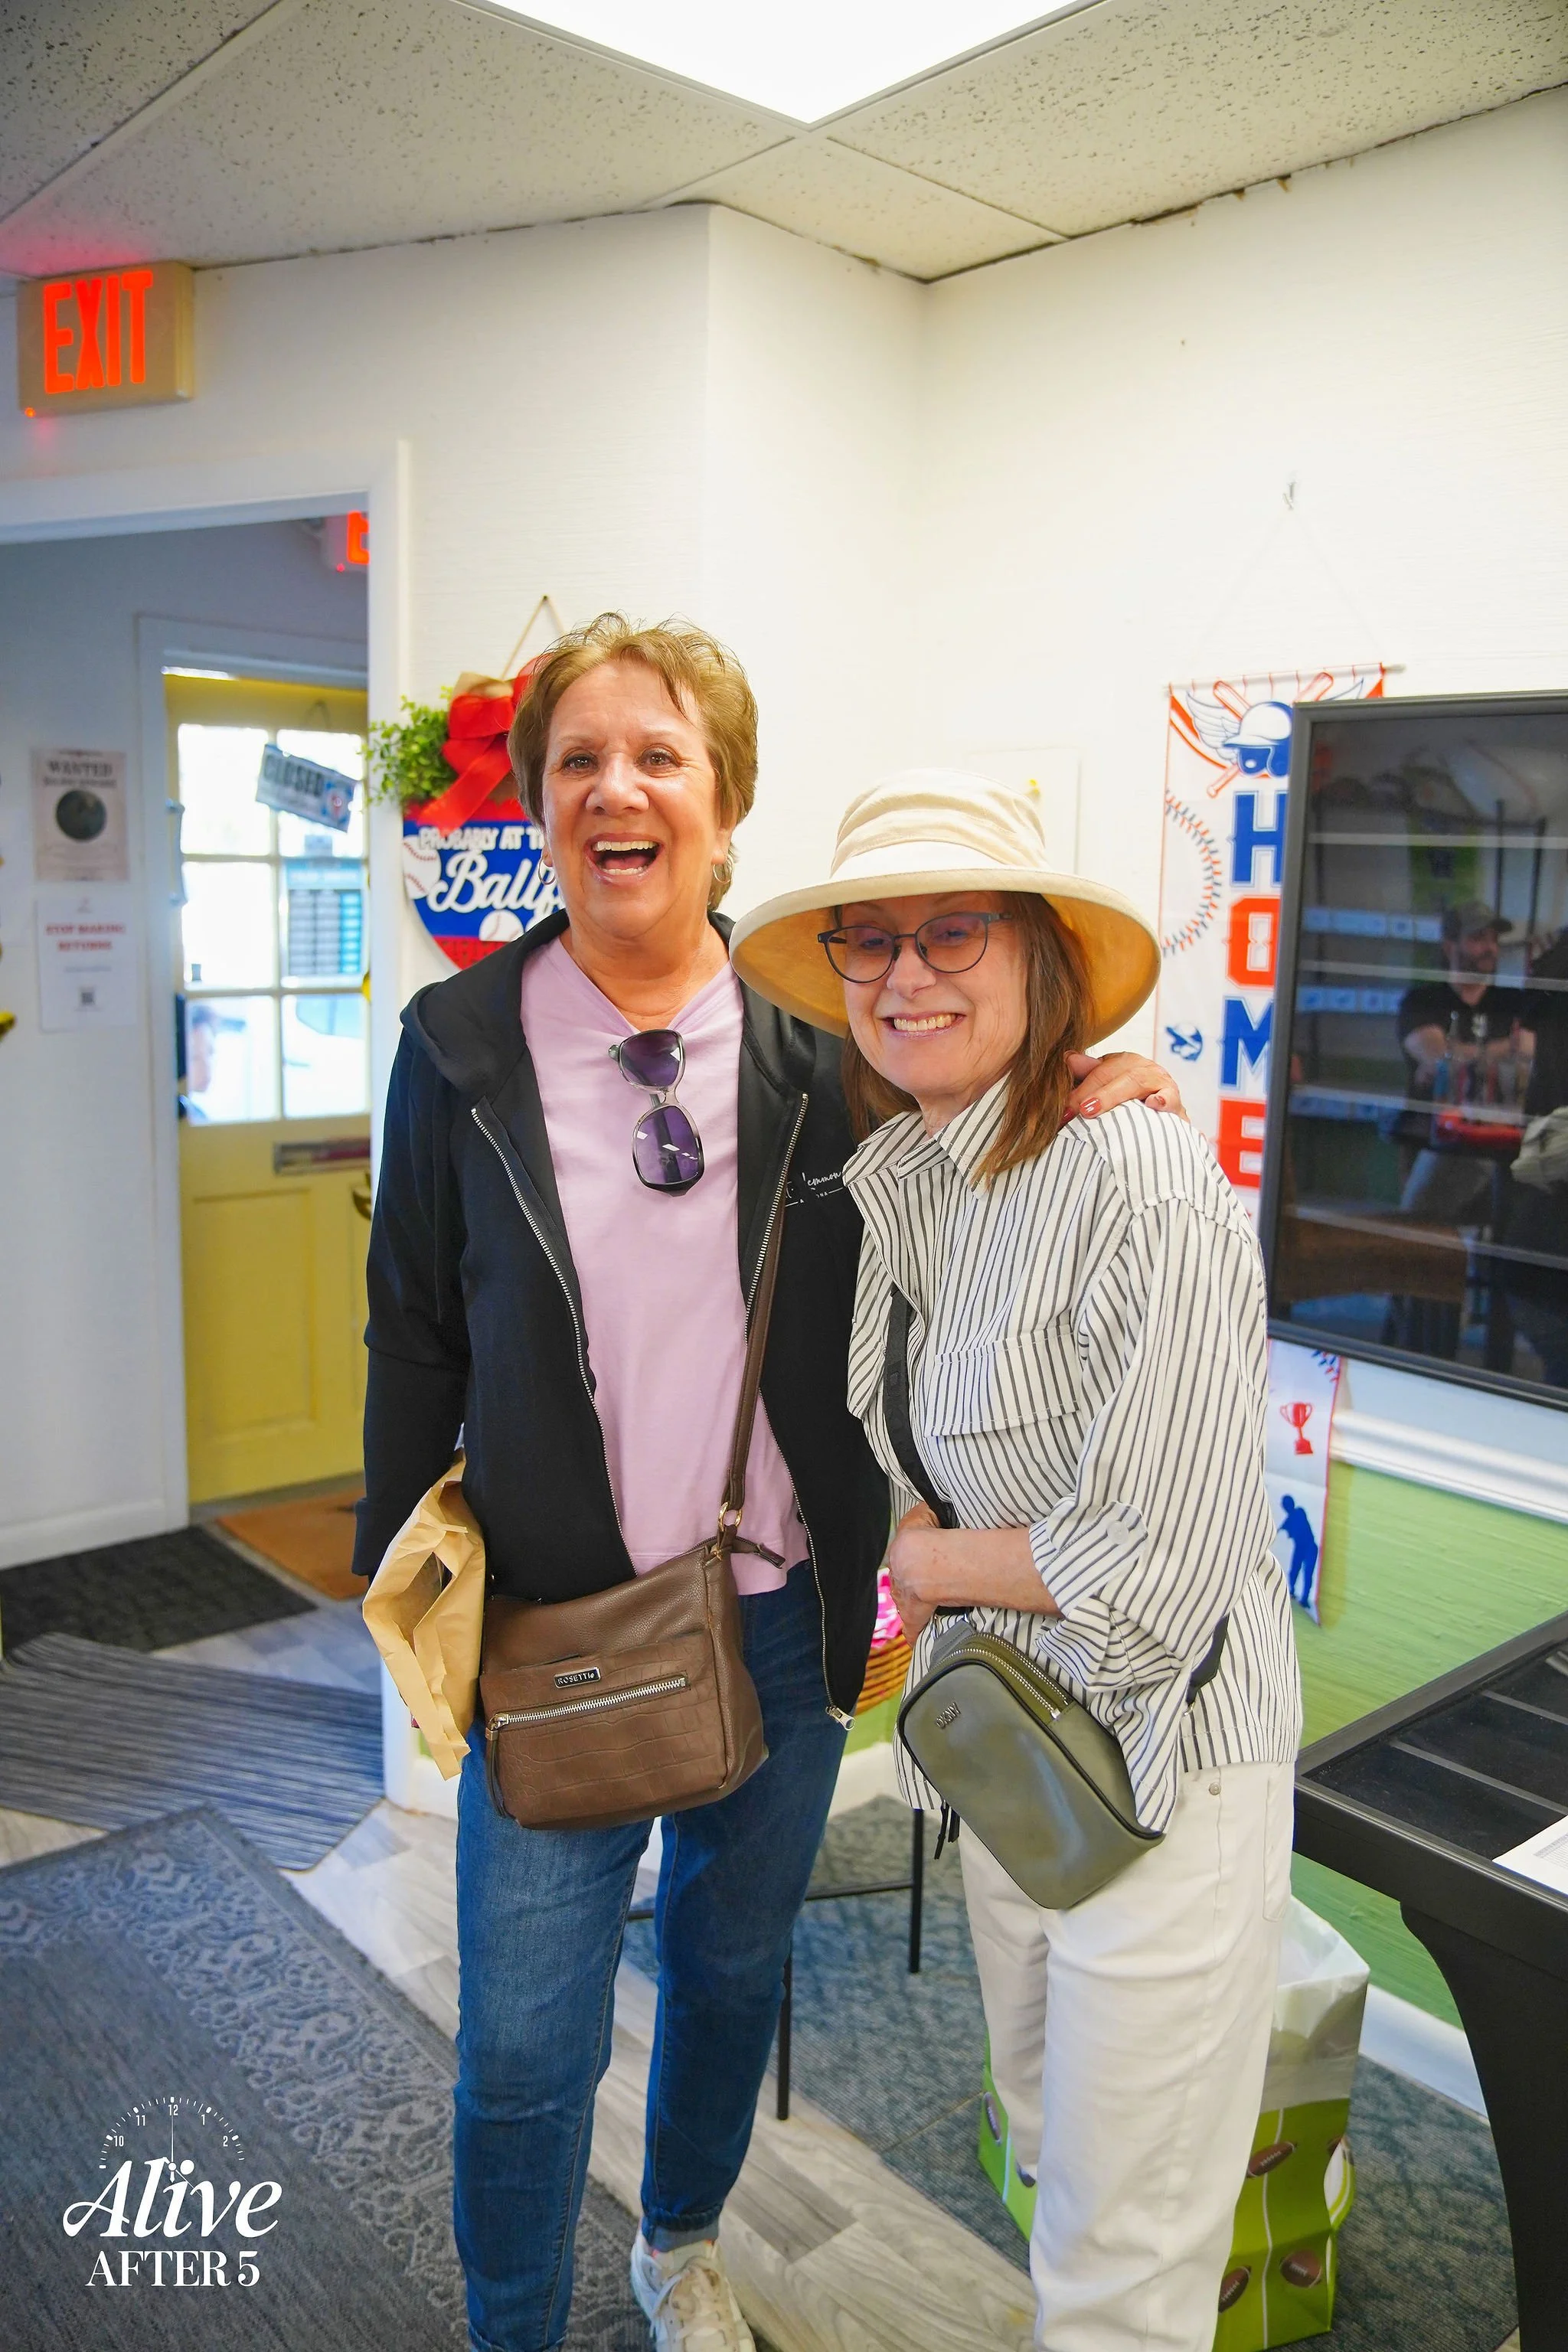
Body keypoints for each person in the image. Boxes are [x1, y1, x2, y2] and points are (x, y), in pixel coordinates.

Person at [354, 621, 1188, 2352]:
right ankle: (511, 2323)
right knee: (523, 2046)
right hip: (551, 1632)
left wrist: (1098, 1096)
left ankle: (679, 2243)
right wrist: (395, 1584)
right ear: (540, 810)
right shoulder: (456, 1049)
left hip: (784, 1618)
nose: (617, 789)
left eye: (659, 756)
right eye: (579, 760)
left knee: (731, 1975)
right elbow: (413, 1331)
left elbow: (987, 1155)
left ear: (725, 808)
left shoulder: (830, 1048)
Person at [731, 768, 1301, 2352]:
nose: (905, 975)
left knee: (1125, 2259)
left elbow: (1160, 1564)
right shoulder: (917, 1176)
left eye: (953, 932)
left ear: (1040, 956)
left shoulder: (1137, 1176)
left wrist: (930, 1559)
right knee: (1056, 2163)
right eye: (868, 942)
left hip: (1163, 1765)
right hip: (1013, 1751)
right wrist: (937, 1563)